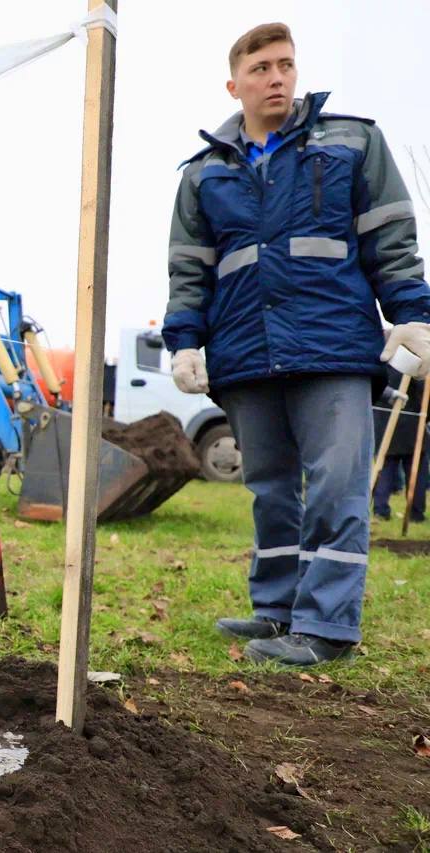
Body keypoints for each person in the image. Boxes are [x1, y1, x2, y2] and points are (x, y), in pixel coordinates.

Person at [162, 22, 430, 666]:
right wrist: (185, 342)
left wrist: (413, 315)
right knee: (272, 488)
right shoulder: (204, 175)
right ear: (235, 84)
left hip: (333, 346)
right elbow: (189, 267)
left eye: (285, 65)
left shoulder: (352, 142)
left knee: (338, 486)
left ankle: (328, 628)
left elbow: (389, 236)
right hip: (245, 353)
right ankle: (275, 611)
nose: (276, 77)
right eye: (261, 68)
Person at [372, 368, 428, 522]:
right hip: (408, 427)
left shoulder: (385, 362)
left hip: (399, 426)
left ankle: (382, 510)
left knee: (387, 470)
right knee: (411, 473)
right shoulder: (417, 366)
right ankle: (415, 513)